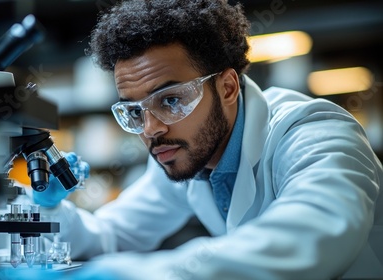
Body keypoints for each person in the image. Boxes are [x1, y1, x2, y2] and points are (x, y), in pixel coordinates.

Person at [31, 0, 383, 279]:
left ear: (227, 87)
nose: (151, 128)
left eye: (171, 100)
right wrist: (52, 210)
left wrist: (158, 275)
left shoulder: (314, 130)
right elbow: (111, 235)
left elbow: (315, 232)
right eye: (135, 111)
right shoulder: (186, 158)